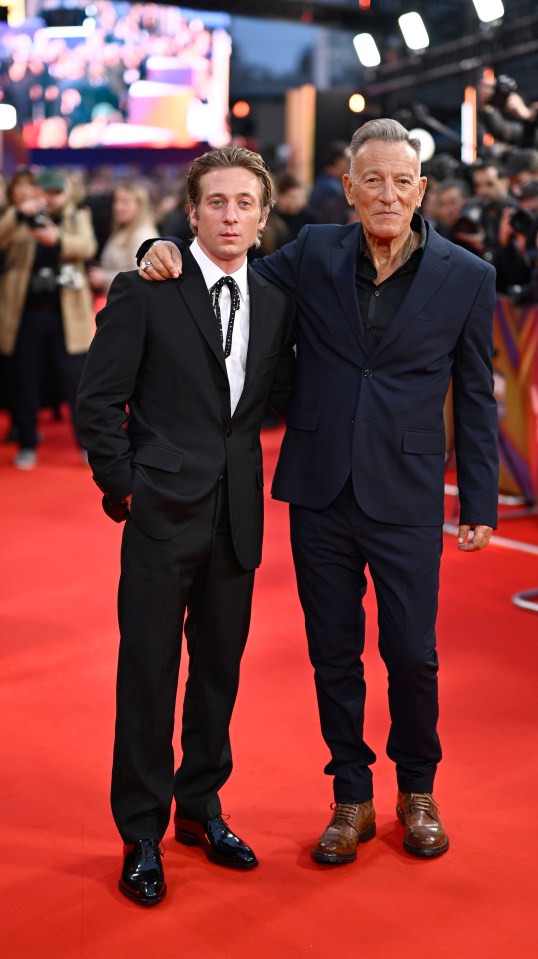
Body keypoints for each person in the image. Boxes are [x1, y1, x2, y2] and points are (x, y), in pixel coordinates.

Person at [137, 119, 499, 865]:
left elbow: (475, 396)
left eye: (402, 181)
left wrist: (482, 500)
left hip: (405, 492)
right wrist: (159, 247)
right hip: (320, 487)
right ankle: (352, 796)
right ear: (350, 188)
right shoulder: (312, 253)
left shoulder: (468, 276)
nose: (388, 194)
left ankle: (419, 789)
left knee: (412, 651)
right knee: (332, 651)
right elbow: (226, 272)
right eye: (373, 180)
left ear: (421, 189)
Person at [76, 146, 295, 905]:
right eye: (217, 202)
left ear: (264, 219)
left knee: (219, 673)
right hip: (159, 514)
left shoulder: (275, 301)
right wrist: (126, 488)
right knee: (148, 672)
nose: (231, 215)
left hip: (236, 514)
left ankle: (200, 806)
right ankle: (141, 829)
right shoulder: (147, 288)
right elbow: (97, 403)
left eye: (245, 204)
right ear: (193, 212)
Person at [0, 167, 97, 469]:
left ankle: (87, 445)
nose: (51, 198)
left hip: (66, 315)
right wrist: (18, 214)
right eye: (46, 191)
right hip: (26, 312)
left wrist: (57, 241)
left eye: (57, 192)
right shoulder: (21, 216)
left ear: (65, 193)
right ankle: (27, 442)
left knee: (75, 383)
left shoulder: (76, 215)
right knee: (25, 381)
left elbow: (87, 246)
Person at [88, 181, 158, 295]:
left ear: (140, 206)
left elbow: (142, 274)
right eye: (116, 201)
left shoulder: (144, 235)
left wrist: (104, 279)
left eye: (125, 202)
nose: (117, 207)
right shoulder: (122, 230)